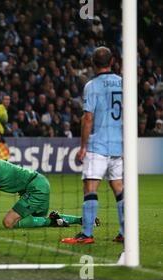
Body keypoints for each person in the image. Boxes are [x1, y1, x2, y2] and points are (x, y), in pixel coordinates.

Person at [61, 47, 123, 244]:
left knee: (90, 186)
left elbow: (88, 118)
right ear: (112, 61)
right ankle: (125, 233)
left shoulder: (92, 85)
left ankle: (87, 234)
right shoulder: (124, 83)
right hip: (118, 144)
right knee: (119, 189)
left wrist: (82, 146)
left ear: (93, 63)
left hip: (98, 144)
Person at [0, 137, 85, 230]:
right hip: (33, 187)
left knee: (9, 222)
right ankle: (79, 220)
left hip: (36, 187)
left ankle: (53, 221)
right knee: (36, 220)